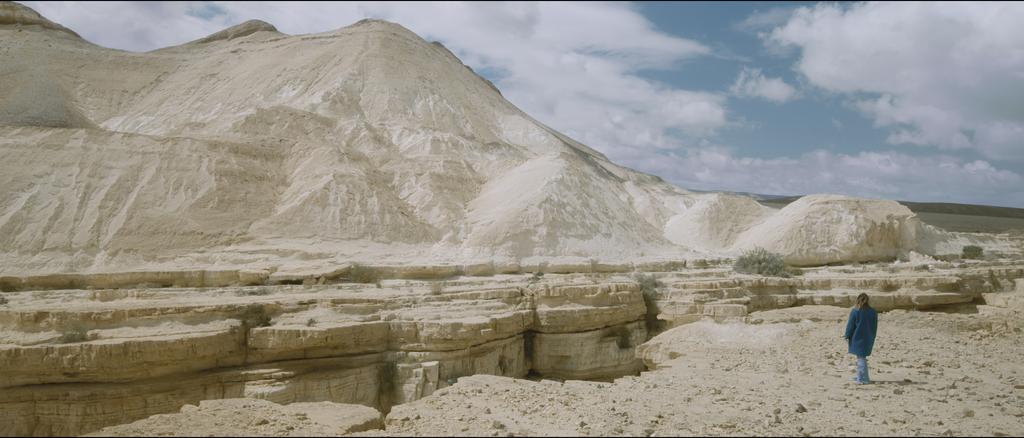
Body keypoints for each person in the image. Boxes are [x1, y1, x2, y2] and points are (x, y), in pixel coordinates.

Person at [844, 293, 878, 384]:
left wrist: (847, 335)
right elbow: (875, 326)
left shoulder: (855, 311)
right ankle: (861, 376)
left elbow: (850, 325)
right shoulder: (873, 311)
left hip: (857, 337)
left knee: (860, 358)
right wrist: (873, 336)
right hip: (869, 337)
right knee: (862, 357)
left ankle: (863, 379)